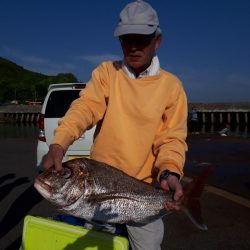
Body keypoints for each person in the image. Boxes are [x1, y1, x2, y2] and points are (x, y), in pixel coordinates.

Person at [42, 0, 188, 249]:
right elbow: (85, 108)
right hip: (98, 185)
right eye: (126, 39)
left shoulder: (171, 87)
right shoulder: (107, 73)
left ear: (157, 41)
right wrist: (59, 143)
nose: (132, 46)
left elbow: (172, 138)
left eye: (141, 39)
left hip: (144, 188)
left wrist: (170, 172)